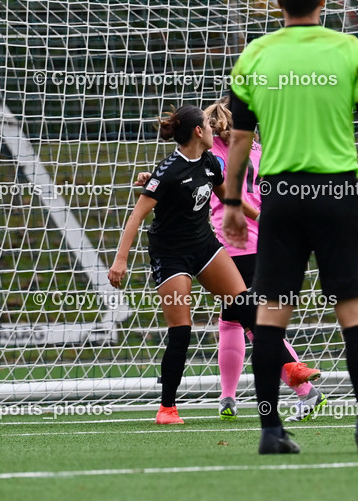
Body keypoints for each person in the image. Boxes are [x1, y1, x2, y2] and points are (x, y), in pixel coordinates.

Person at [222, 0, 358, 455]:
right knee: (354, 309)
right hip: (336, 196)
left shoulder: (256, 54)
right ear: (324, 1)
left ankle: (269, 430)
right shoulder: (347, 49)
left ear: (279, 2)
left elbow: (240, 138)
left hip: (281, 197)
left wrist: (231, 202)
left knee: (270, 313)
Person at [109, 105, 320, 425]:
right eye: (207, 125)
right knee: (181, 331)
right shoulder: (167, 171)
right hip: (171, 254)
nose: (213, 128)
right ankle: (167, 408)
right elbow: (137, 216)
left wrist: (265, 221)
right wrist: (120, 260)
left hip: (204, 246)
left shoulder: (209, 163)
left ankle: (290, 368)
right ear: (198, 132)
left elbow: (232, 198)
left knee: (245, 306)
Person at [203, 98, 326, 423]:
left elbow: (228, 195)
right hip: (263, 242)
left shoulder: (211, 153)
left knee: (255, 323)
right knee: (232, 319)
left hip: (234, 242)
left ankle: (305, 392)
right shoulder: (257, 148)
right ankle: (227, 397)